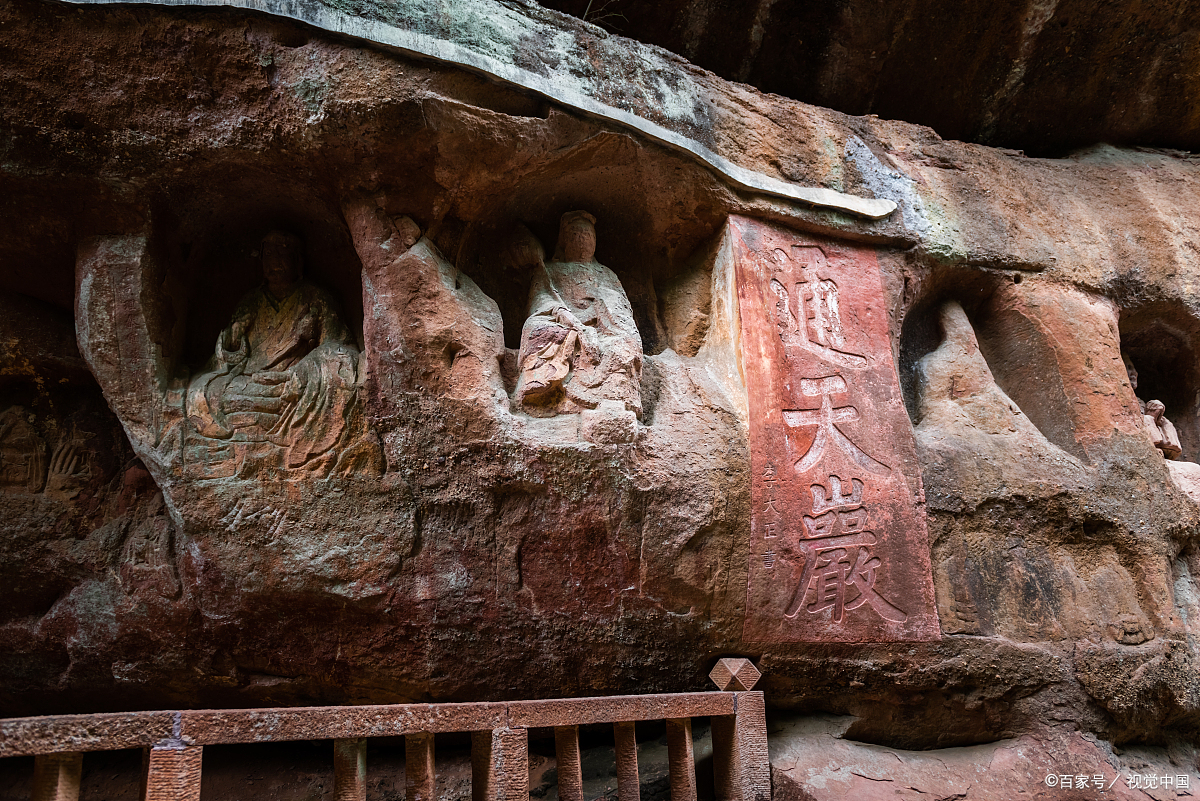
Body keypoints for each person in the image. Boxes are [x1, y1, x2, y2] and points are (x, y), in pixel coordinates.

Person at [185, 230, 371, 473]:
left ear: (298, 261)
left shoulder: (316, 298)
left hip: (290, 382)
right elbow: (229, 359)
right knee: (211, 392)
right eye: (269, 255)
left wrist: (306, 360)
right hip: (249, 381)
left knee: (304, 394)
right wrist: (234, 336)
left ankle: (278, 431)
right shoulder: (251, 301)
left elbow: (341, 350)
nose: (275, 262)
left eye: (283, 254)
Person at [512, 211, 643, 418]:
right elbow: (541, 300)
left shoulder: (606, 274)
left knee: (623, 344)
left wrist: (599, 305)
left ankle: (611, 395)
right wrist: (564, 315)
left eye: (587, 235)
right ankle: (547, 391)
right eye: (575, 234)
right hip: (563, 323)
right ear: (564, 241)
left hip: (603, 327)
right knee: (536, 329)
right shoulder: (551, 270)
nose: (582, 239)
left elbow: (621, 307)